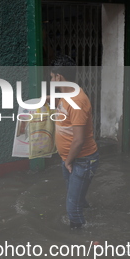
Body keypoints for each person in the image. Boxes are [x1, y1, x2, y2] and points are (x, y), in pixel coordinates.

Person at [51, 55, 99, 229]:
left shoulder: (77, 101)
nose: (51, 80)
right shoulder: (66, 95)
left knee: (72, 208)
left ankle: (78, 243)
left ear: (59, 77)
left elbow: (78, 140)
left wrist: (69, 162)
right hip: (70, 159)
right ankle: (91, 212)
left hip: (82, 160)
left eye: (52, 77)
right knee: (77, 197)